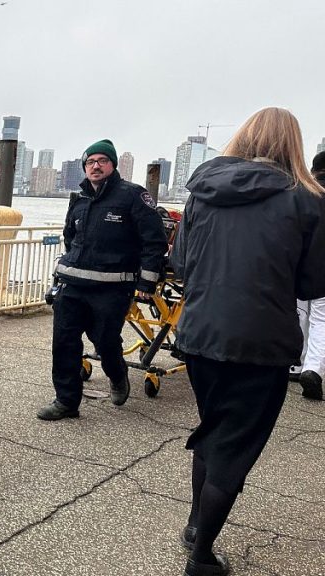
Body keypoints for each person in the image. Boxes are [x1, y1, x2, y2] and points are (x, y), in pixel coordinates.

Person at [171, 107, 325, 576]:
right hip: (260, 343)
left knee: (214, 430)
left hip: (199, 334)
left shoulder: (202, 191)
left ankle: (197, 525)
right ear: (293, 145)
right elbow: (312, 283)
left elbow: (181, 263)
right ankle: (201, 559)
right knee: (235, 445)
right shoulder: (307, 200)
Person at [37, 139, 167, 420]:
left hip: (112, 288)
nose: (95, 166)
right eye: (90, 162)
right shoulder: (79, 199)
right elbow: (70, 237)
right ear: (85, 167)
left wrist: (146, 283)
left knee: (105, 341)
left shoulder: (133, 196)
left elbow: (153, 241)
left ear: (113, 165)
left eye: (102, 161)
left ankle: (118, 376)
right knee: (64, 343)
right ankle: (66, 401)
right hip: (72, 285)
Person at [293, 151, 325, 401]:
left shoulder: (303, 193)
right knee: (321, 320)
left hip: (301, 266)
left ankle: (294, 362)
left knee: (300, 314)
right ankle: (313, 369)